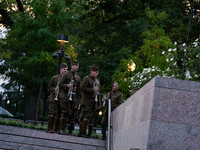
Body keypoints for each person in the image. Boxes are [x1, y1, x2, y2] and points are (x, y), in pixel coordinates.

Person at [59, 60, 80, 135]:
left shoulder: (78, 77)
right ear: (72, 66)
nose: (77, 67)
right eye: (75, 66)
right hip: (65, 96)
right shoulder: (66, 74)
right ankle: (61, 129)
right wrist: (67, 86)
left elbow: (79, 90)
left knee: (72, 115)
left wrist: (77, 102)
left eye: (77, 66)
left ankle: (70, 131)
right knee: (65, 112)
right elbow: (60, 85)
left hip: (73, 97)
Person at [78, 65, 101, 138]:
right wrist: (92, 90)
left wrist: (99, 103)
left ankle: (84, 132)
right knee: (85, 117)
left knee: (88, 117)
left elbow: (98, 93)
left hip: (93, 102)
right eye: (95, 72)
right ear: (91, 71)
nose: (96, 74)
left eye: (97, 72)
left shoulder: (97, 81)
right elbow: (82, 88)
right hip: (86, 101)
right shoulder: (87, 79)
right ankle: (82, 132)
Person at [47, 63, 68, 133]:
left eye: (66, 69)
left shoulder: (67, 79)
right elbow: (49, 87)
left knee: (60, 114)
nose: (65, 71)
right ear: (60, 70)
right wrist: (54, 89)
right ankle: (49, 128)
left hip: (62, 98)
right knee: (53, 112)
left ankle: (57, 129)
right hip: (54, 97)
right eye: (64, 69)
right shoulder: (55, 77)